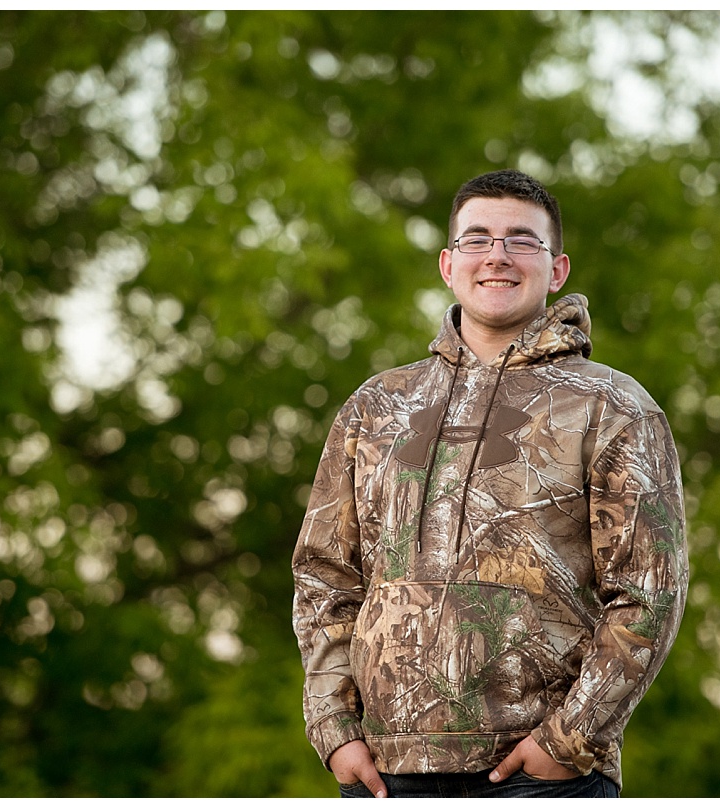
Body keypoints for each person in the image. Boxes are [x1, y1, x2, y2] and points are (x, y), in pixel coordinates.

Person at [291, 169, 689, 798]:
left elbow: (650, 593)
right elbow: (325, 577)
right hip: (386, 776)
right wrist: (335, 729)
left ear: (556, 270)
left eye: (521, 240)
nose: (497, 255)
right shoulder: (378, 407)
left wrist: (568, 740)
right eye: (477, 240)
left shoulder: (611, 406)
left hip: (538, 777)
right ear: (449, 265)